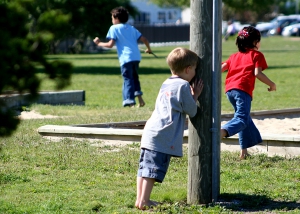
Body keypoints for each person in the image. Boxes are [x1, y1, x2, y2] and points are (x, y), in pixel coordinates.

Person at [135, 47, 204, 210]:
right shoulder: (183, 86)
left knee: (144, 168)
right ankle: (144, 201)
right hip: (162, 134)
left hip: (151, 130)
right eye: (194, 69)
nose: (195, 72)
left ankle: (140, 199)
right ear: (188, 69)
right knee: (152, 169)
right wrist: (195, 96)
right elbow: (192, 110)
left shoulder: (167, 82)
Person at [221, 26, 277, 159]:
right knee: (241, 119)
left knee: (244, 118)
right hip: (243, 90)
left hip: (229, 91)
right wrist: (272, 84)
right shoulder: (257, 55)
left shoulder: (234, 56)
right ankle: (220, 133)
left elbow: (221, 68)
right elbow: (257, 73)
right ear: (255, 42)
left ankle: (243, 152)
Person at [93, 6, 152, 107]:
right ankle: (140, 100)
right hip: (136, 57)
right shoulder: (131, 28)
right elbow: (145, 39)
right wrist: (149, 49)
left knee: (128, 79)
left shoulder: (114, 28)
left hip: (126, 58)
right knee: (134, 78)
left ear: (116, 18)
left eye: (112, 18)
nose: (112, 20)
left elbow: (110, 44)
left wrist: (99, 43)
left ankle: (130, 102)